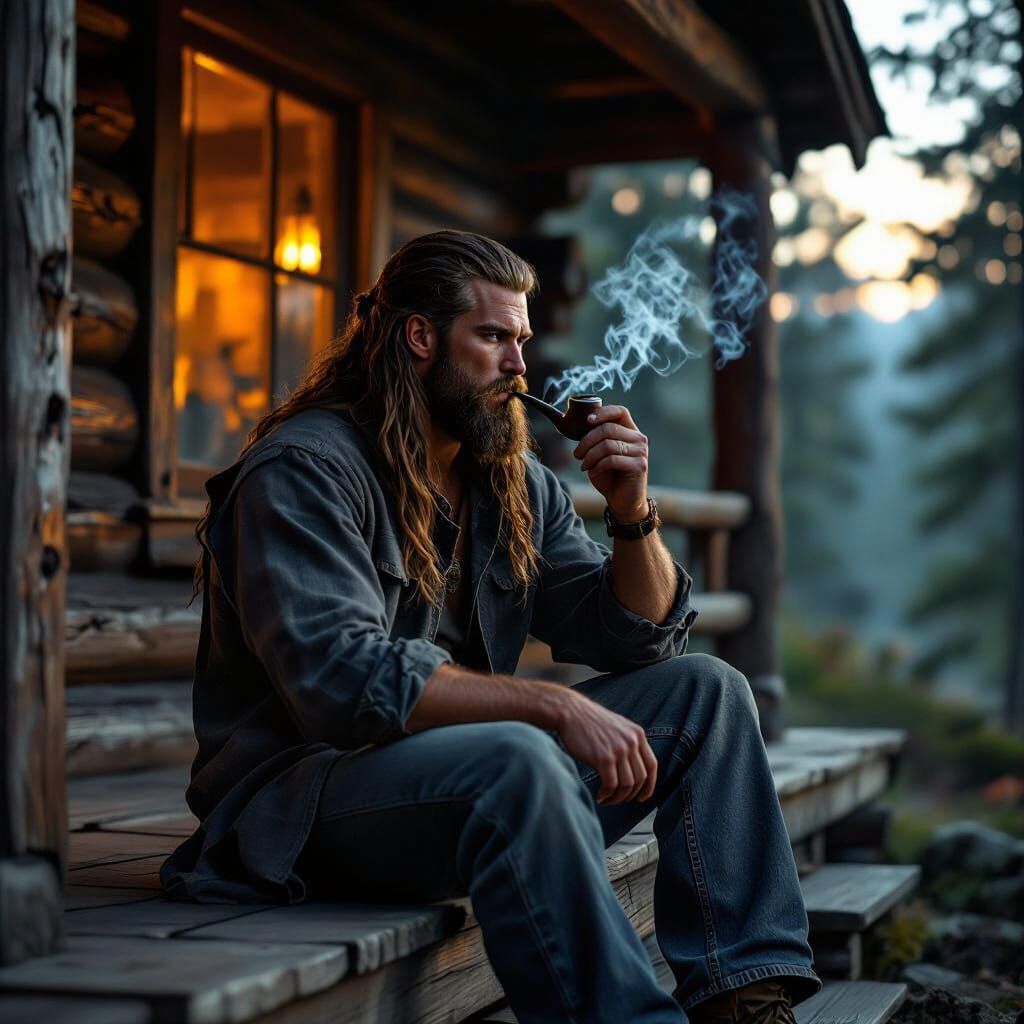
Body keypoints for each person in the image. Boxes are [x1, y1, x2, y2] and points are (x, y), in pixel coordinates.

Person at [161, 230, 821, 1024]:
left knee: (707, 693)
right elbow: (339, 680)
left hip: (463, 793)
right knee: (518, 753)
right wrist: (549, 706)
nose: (518, 367)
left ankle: (747, 1000)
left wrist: (631, 513)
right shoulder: (306, 470)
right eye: (494, 337)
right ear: (420, 336)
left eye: (522, 341)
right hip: (308, 810)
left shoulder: (512, 483)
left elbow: (635, 638)